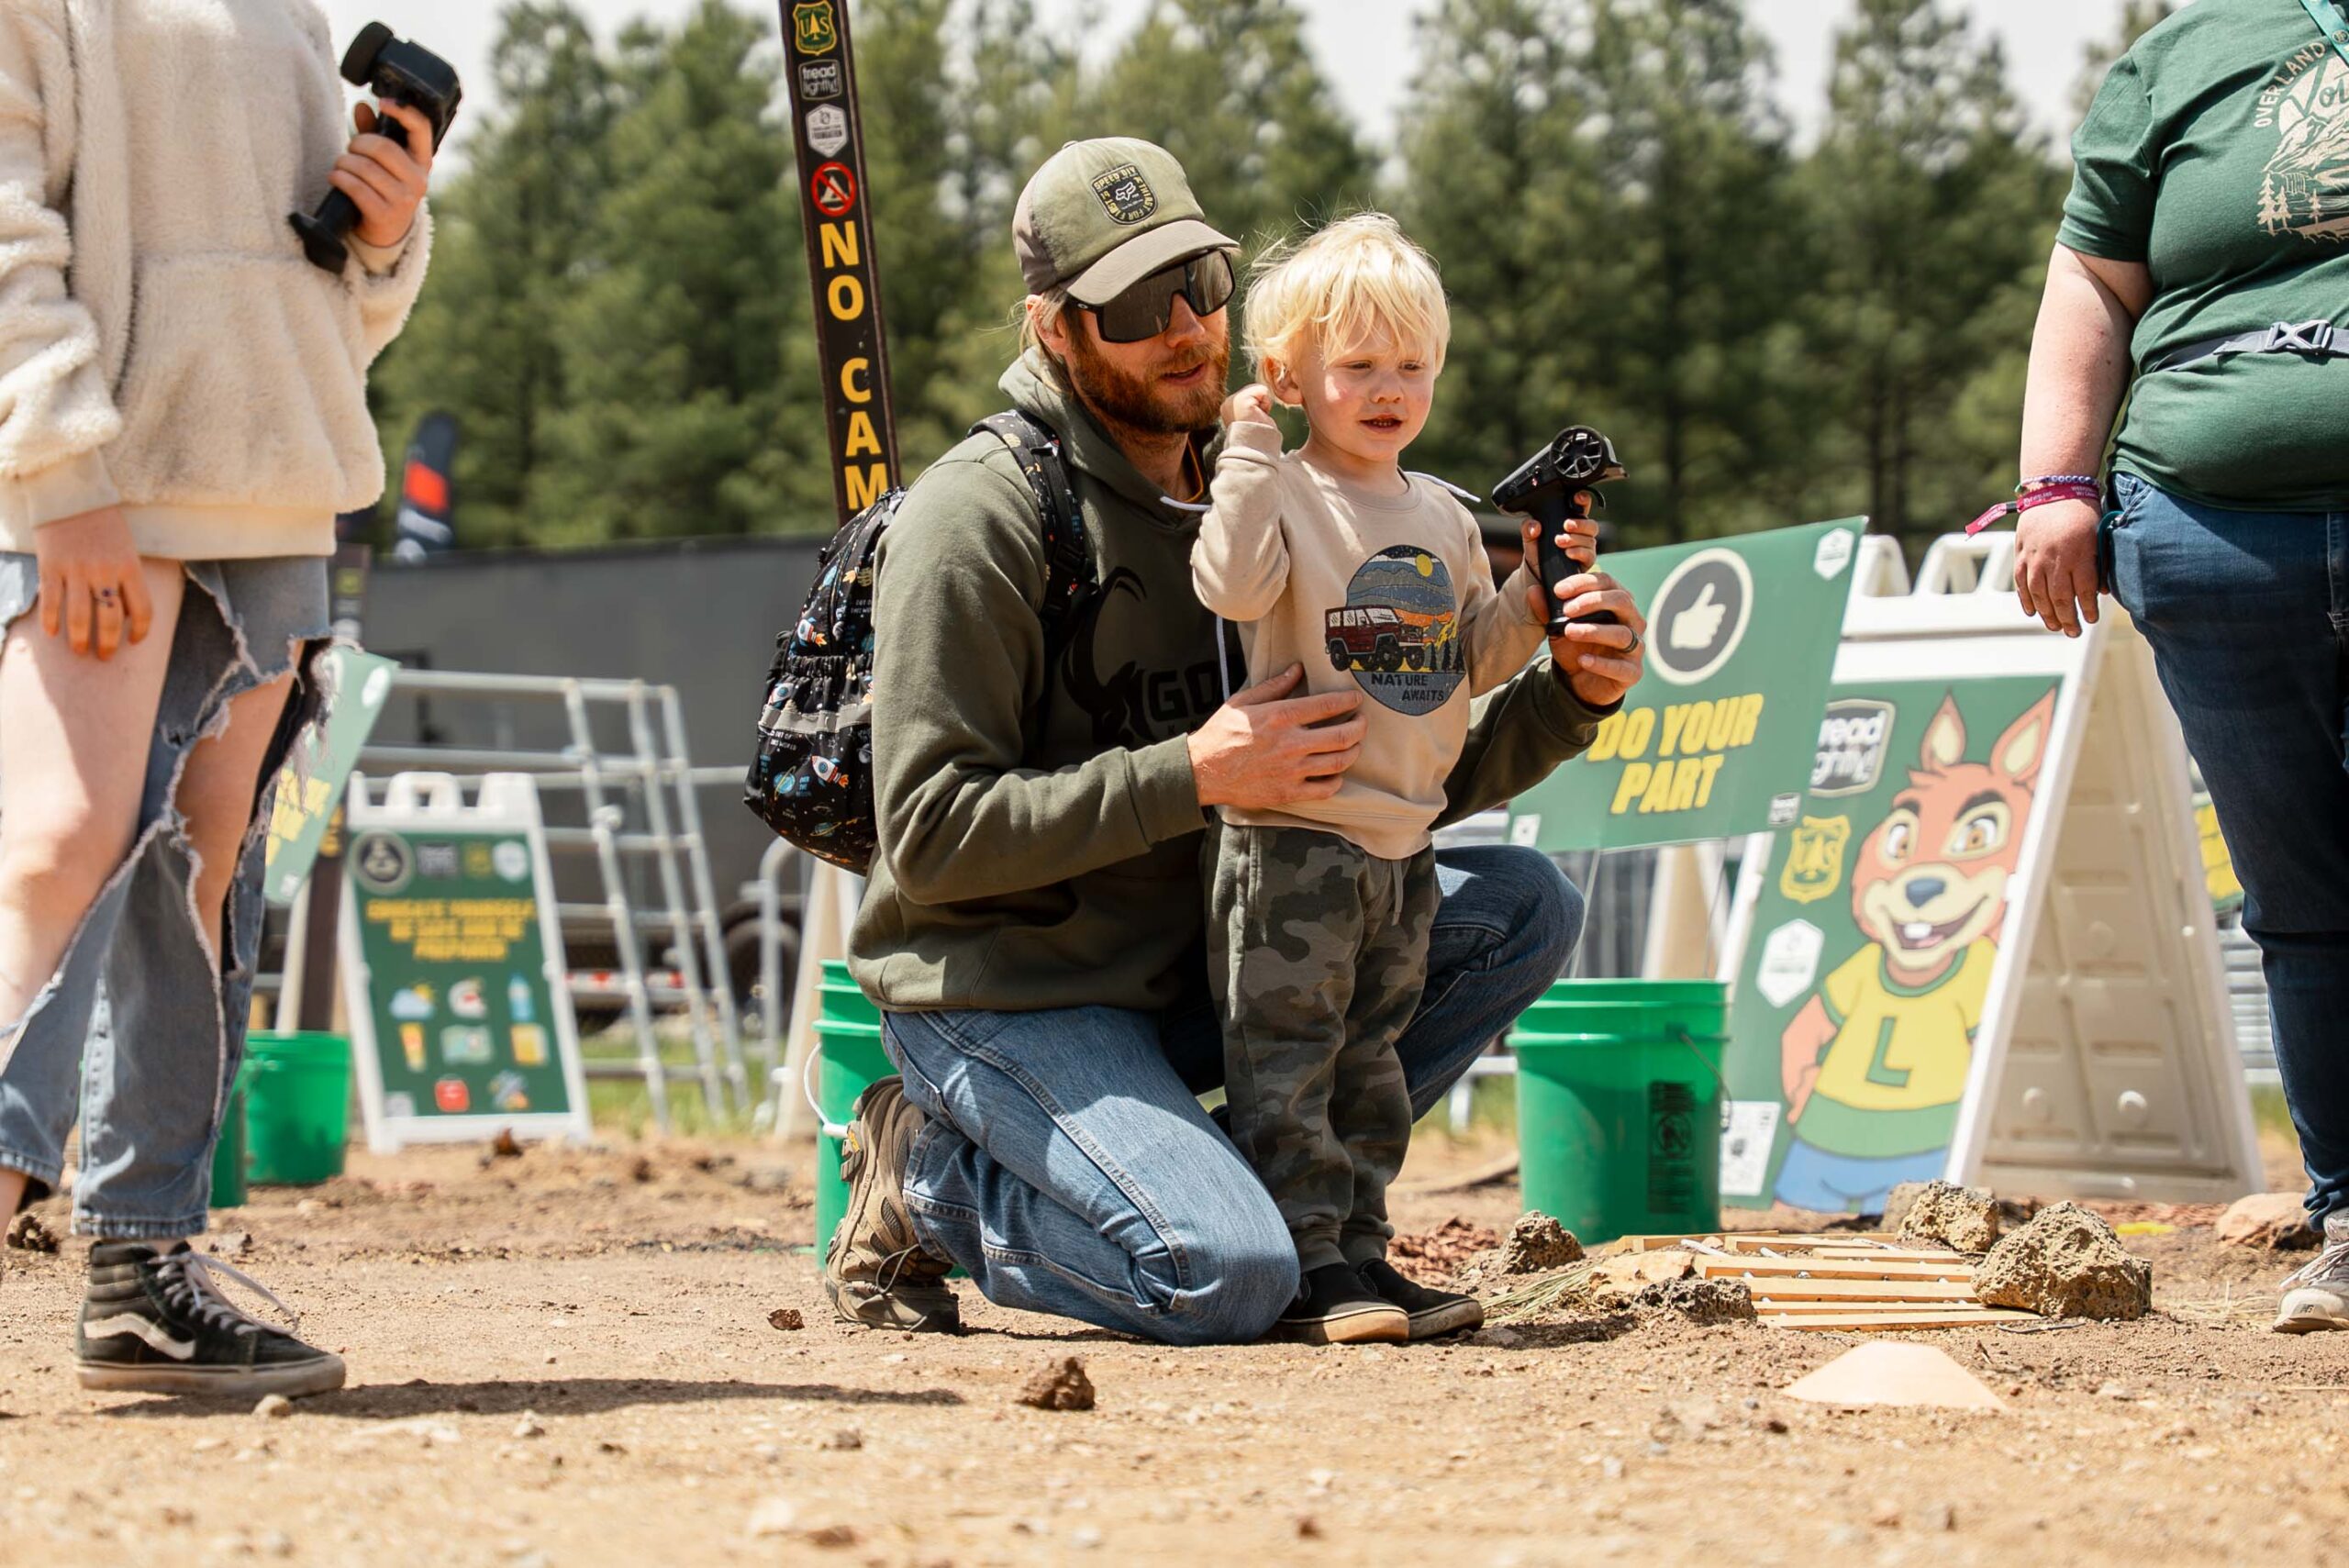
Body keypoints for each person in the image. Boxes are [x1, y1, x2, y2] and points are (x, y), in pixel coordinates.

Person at [823, 138, 1646, 1344]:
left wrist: (1567, 692)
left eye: (1202, 286)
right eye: (1136, 308)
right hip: (1017, 991)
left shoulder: (1291, 483)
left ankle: (1270, 1201)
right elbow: (933, 839)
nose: (1185, 329)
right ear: (1055, 329)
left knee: (1519, 905)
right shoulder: (984, 511)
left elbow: (1379, 774)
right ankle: (930, 1176)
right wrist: (1195, 774)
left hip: (1219, 951)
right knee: (1224, 1277)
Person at [0, 0, 433, 1395]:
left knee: (196, 879)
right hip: (106, 492)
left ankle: (142, 1269)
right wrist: (61, 480)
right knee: (58, 850)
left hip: (279, 489)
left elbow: (332, 302)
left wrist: (387, 230)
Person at [2018, 0, 2349, 1334]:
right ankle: (2347, 1219)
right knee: (2305, 897)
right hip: (2212, 534)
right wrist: (2057, 484)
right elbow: (2091, 281)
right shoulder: (2179, 55)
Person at [1190, 215, 1565, 1344]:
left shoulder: (1446, 512)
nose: (1387, 386)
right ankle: (1302, 1256)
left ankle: (1362, 1250)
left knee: (1373, 1059)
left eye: (1410, 364)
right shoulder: (1286, 491)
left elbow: (1465, 660)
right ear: (1286, 375)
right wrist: (1246, 452)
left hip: (1404, 837)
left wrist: (1533, 602)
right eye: (1356, 365)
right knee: (1286, 1056)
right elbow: (1229, 583)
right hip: (1293, 831)